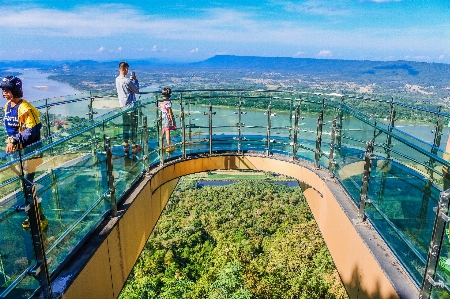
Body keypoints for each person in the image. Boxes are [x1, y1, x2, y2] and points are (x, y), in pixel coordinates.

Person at [1, 75, 46, 230]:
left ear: (15, 90)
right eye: (3, 89)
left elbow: (33, 130)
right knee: (25, 185)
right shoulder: (8, 107)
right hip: (19, 153)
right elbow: (11, 129)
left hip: (31, 152)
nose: (4, 92)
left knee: (27, 185)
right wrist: (10, 141)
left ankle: (38, 217)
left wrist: (14, 140)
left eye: (7, 89)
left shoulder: (25, 108)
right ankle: (36, 215)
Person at [115, 61, 140, 154]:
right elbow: (136, 90)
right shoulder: (127, 81)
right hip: (131, 107)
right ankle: (134, 145)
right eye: (127, 69)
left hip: (123, 107)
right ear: (125, 69)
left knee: (125, 126)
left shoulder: (117, 79)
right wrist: (135, 80)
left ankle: (125, 145)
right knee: (133, 126)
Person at [158, 87, 176, 152]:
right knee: (167, 132)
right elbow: (170, 112)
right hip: (166, 118)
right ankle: (169, 146)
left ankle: (162, 145)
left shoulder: (160, 102)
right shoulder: (168, 102)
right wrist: (172, 120)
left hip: (161, 118)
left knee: (162, 132)